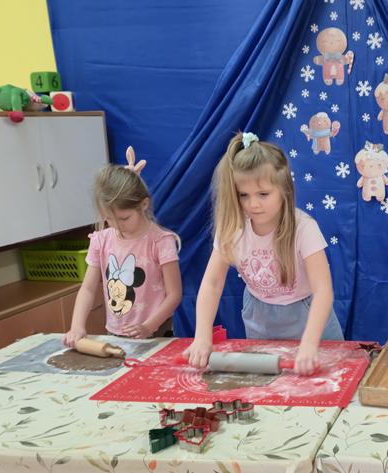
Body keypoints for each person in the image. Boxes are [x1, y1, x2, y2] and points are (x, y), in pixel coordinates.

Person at [184, 132, 342, 375]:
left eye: (263, 194)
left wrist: (310, 344)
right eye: (243, 195)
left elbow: (323, 291)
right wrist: (202, 337)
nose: (253, 204)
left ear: (284, 190)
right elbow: (212, 283)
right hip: (260, 318)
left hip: (309, 318)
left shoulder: (304, 228)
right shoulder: (233, 228)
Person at [64, 147, 181, 345]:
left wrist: (148, 327)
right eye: (109, 219)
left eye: (124, 218)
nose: (117, 225)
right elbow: (88, 289)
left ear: (143, 205)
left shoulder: (161, 242)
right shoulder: (101, 240)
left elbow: (174, 294)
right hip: (115, 333)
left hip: (156, 332)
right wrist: (77, 326)